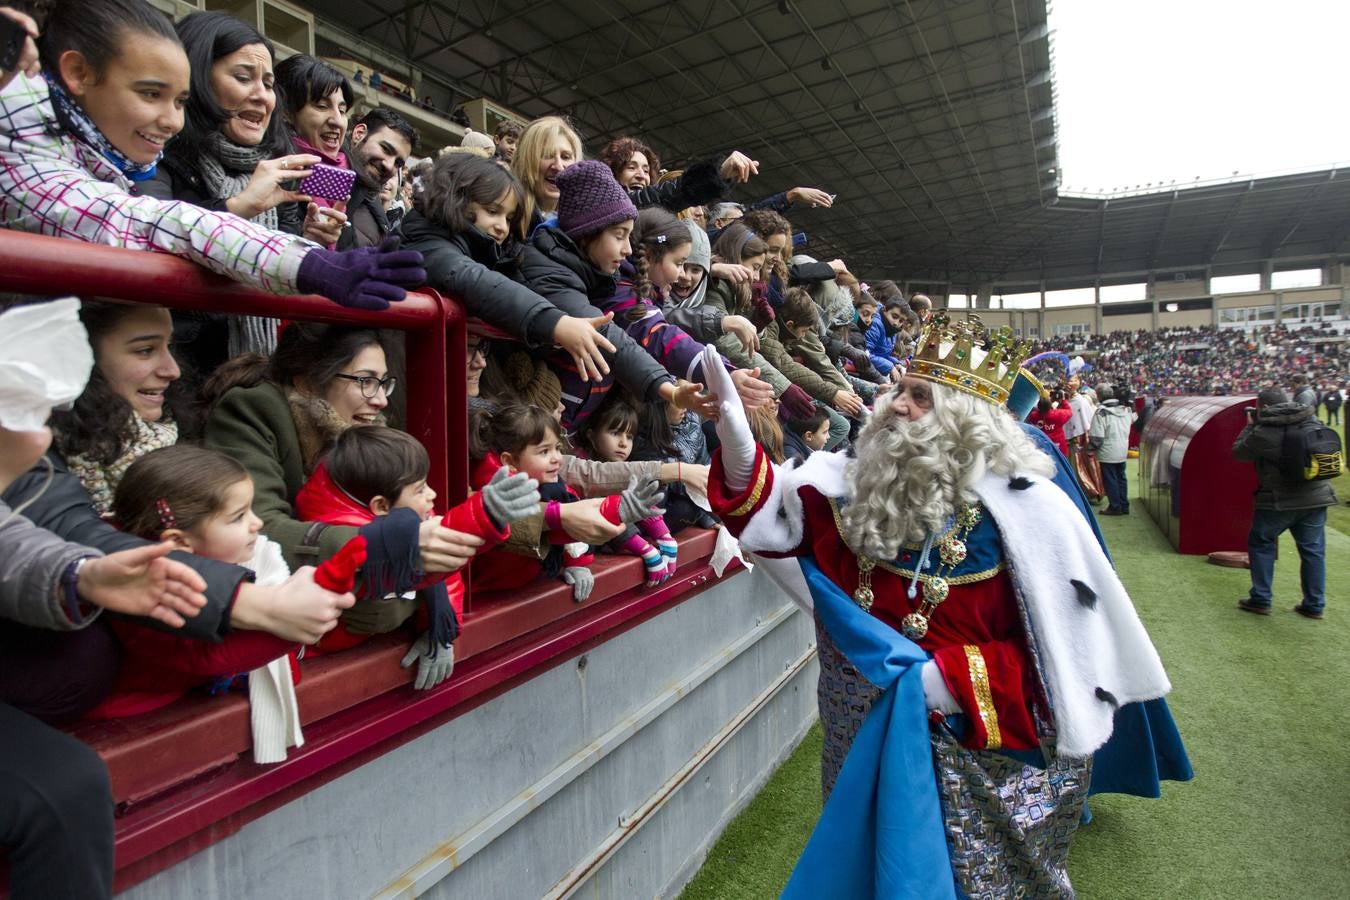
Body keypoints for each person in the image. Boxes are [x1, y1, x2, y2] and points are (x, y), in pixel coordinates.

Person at [698, 312, 1182, 897]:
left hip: (971, 746)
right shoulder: (852, 487)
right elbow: (766, 514)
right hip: (859, 730)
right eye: (899, 388)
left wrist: (945, 682)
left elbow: (1064, 666)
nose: (896, 404)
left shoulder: (1032, 515)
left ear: (964, 421)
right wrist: (733, 429)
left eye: (919, 397)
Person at [0, 0, 424, 311]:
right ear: (78, 74)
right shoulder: (19, 144)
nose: (172, 122)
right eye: (151, 94)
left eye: (179, 101)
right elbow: (143, 220)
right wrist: (305, 260)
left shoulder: (119, 151)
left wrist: (315, 242)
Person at [0, 298, 210, 900]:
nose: (172, 370)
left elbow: (18, 544)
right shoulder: (52, 461)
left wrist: (80, 578)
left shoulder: (179, 434)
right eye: (145, 350)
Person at [295, 425, 539, 683]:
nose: (432, 494)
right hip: (312, 664)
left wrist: (438, 629)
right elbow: (412, 563)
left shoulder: (401, 514)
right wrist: (481, 516)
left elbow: (443, 570)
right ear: (381, 505)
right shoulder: (343, 530)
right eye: (421, 489)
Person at [469, 403, 663, 600]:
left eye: (558, 449)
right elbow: (548, 523)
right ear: (509, 461)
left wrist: (617, 511)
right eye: (544, 451)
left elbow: (572, 519)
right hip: (481, 592)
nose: (557, 459)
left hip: (523, 588)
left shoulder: (553, 486)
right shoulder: (491, 492)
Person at [1233, 388, 1336, 619]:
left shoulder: (1263, 431)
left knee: (1261, 544)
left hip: (1277, 501)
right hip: (1316, 497)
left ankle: (1261, 598)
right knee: (1313, 551)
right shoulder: (1311, 419)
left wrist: (1250, 424)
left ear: (1264, 407)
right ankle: (1315, 605)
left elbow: (1238, 452)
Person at [576, 398, 679, 584]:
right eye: (615, 433)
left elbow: (639, 500)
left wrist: (665, 538)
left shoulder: (623, 466)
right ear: (592, 435)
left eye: (629, 436)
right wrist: (645, 549)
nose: (624, 443)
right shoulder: (583, 469)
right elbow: (607, 512)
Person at [339, 106, 419, 249]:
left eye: (398, 163)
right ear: (359, 134)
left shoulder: (378, 216)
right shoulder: (312, 176)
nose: (389, 166)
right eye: (386, 149)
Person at [1089, 383, 1136, 515]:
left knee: (1110, 480)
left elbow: (1097, 436)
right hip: (1122, 450)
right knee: (1121, 478)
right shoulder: (1126, 409)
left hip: (1107, 451)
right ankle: (1124, 505)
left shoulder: (1102, 412)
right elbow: (1134, 421)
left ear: (1098, 396)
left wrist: (1090, 449)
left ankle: (1115, 507)